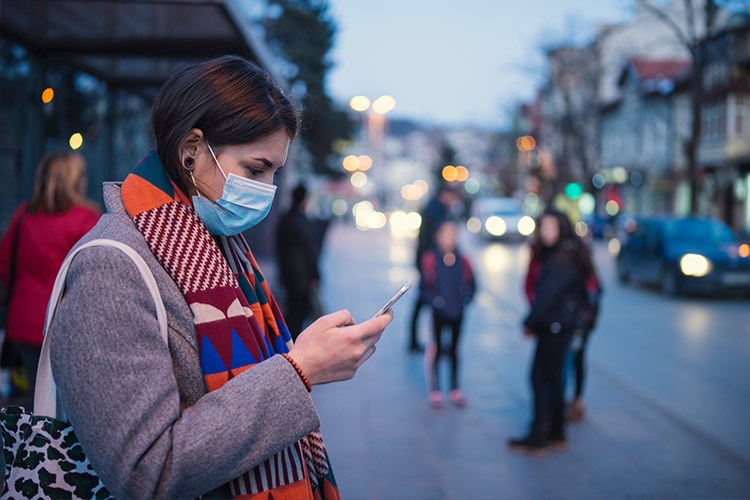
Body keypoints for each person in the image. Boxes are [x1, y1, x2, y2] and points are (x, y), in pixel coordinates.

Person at [47, 56, 392, 499]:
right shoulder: (112, 267)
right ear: (191, 150)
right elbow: (146, 471)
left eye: (274, 172)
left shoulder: (219, 245)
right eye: (255, 169)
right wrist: (301, 370)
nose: (267, 188)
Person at [0, 151, 99, 407]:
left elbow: (3, 266)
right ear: (73, 181)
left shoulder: (23, 215)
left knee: (37, 397)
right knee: (68, 405)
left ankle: (35, 444)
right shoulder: (85, 220)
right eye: (82, 176)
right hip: (63, 326)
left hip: (22, 326)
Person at [508, 208, 591, 454]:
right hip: (561, 325)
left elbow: (547, 297)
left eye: (549, 227)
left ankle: (539, 435)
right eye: (542, 227)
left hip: (555, 326)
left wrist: (529, 323)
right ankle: (556, 431)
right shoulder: (567, 252)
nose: (544, 232)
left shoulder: (561, 257)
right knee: (554, 381)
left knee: (538, 379)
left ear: (561, 228)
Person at [421, 220, 475, 409]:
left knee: (454, 349)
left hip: (458, 311)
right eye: (445, 235)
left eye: (452, 235)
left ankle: (454, 387)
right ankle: (435, 388)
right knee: (436, 348)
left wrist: (465, 300)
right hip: (438, 312)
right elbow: (424, 287)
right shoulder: (430, 259)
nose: (449, 239)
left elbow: (472, 284)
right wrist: (435, 301)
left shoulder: (463, 260)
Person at [408, 182, 462, 353]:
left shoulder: (433, 208)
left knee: (424, 301)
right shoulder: (436, 211)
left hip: (426, 261)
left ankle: (418, 340)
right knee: (426, 300)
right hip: (430, 263)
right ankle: (425, 342)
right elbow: (431, 239)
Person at [276, 183, 321, 340]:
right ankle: (292, 343)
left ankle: (288, 340)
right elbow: (309, 250)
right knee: (299, 312)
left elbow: (279, 247)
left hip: (289, 273)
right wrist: (316, 275)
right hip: (301, 275)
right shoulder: (301, 220)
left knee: (292, 309)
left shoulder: (285, 218)